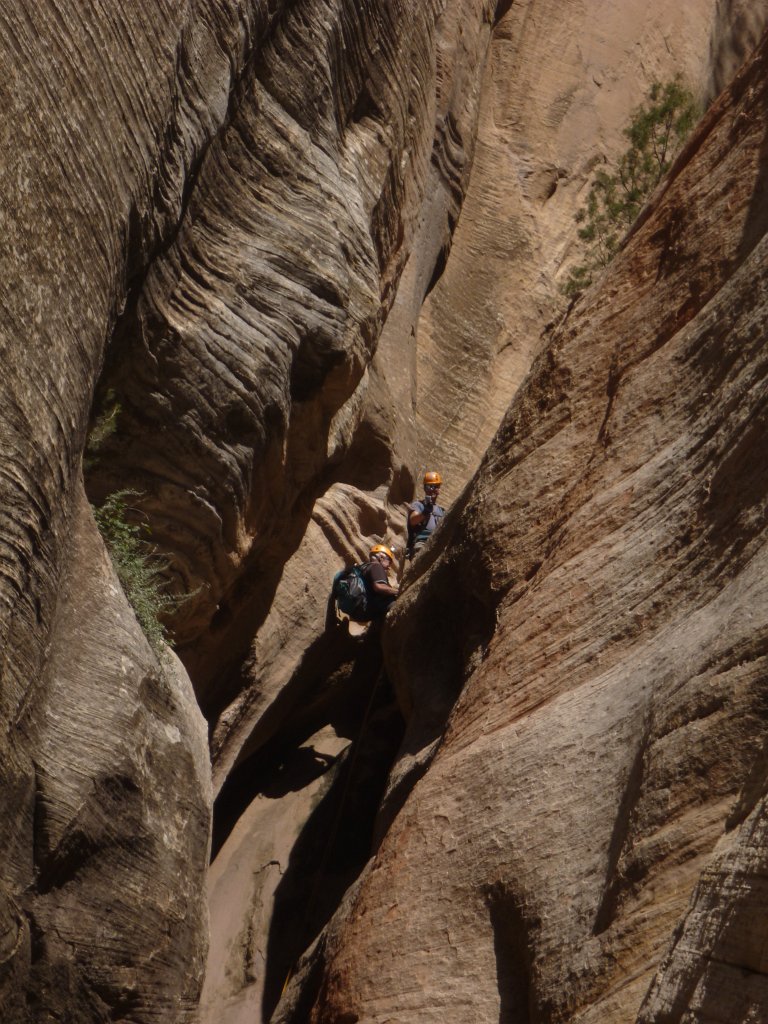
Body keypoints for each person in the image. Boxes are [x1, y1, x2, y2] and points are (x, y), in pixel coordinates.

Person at [407, 471, 445, 558]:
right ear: (425, 488)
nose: (433, 490)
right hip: (422, 542)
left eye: (436, 487)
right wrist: (425, 511)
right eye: (430, 487)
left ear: (439, 489)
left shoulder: (441, 510)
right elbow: (413, 520)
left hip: (438, 542)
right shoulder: (418, 505)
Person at [361, 544, 399, 618]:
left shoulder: (365, 567)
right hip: (383, 606)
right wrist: (398, 592)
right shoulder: (376, 566)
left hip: (371, 609)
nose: (389, 567)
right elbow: (379, 587)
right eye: (389, 562)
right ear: (381, 557)